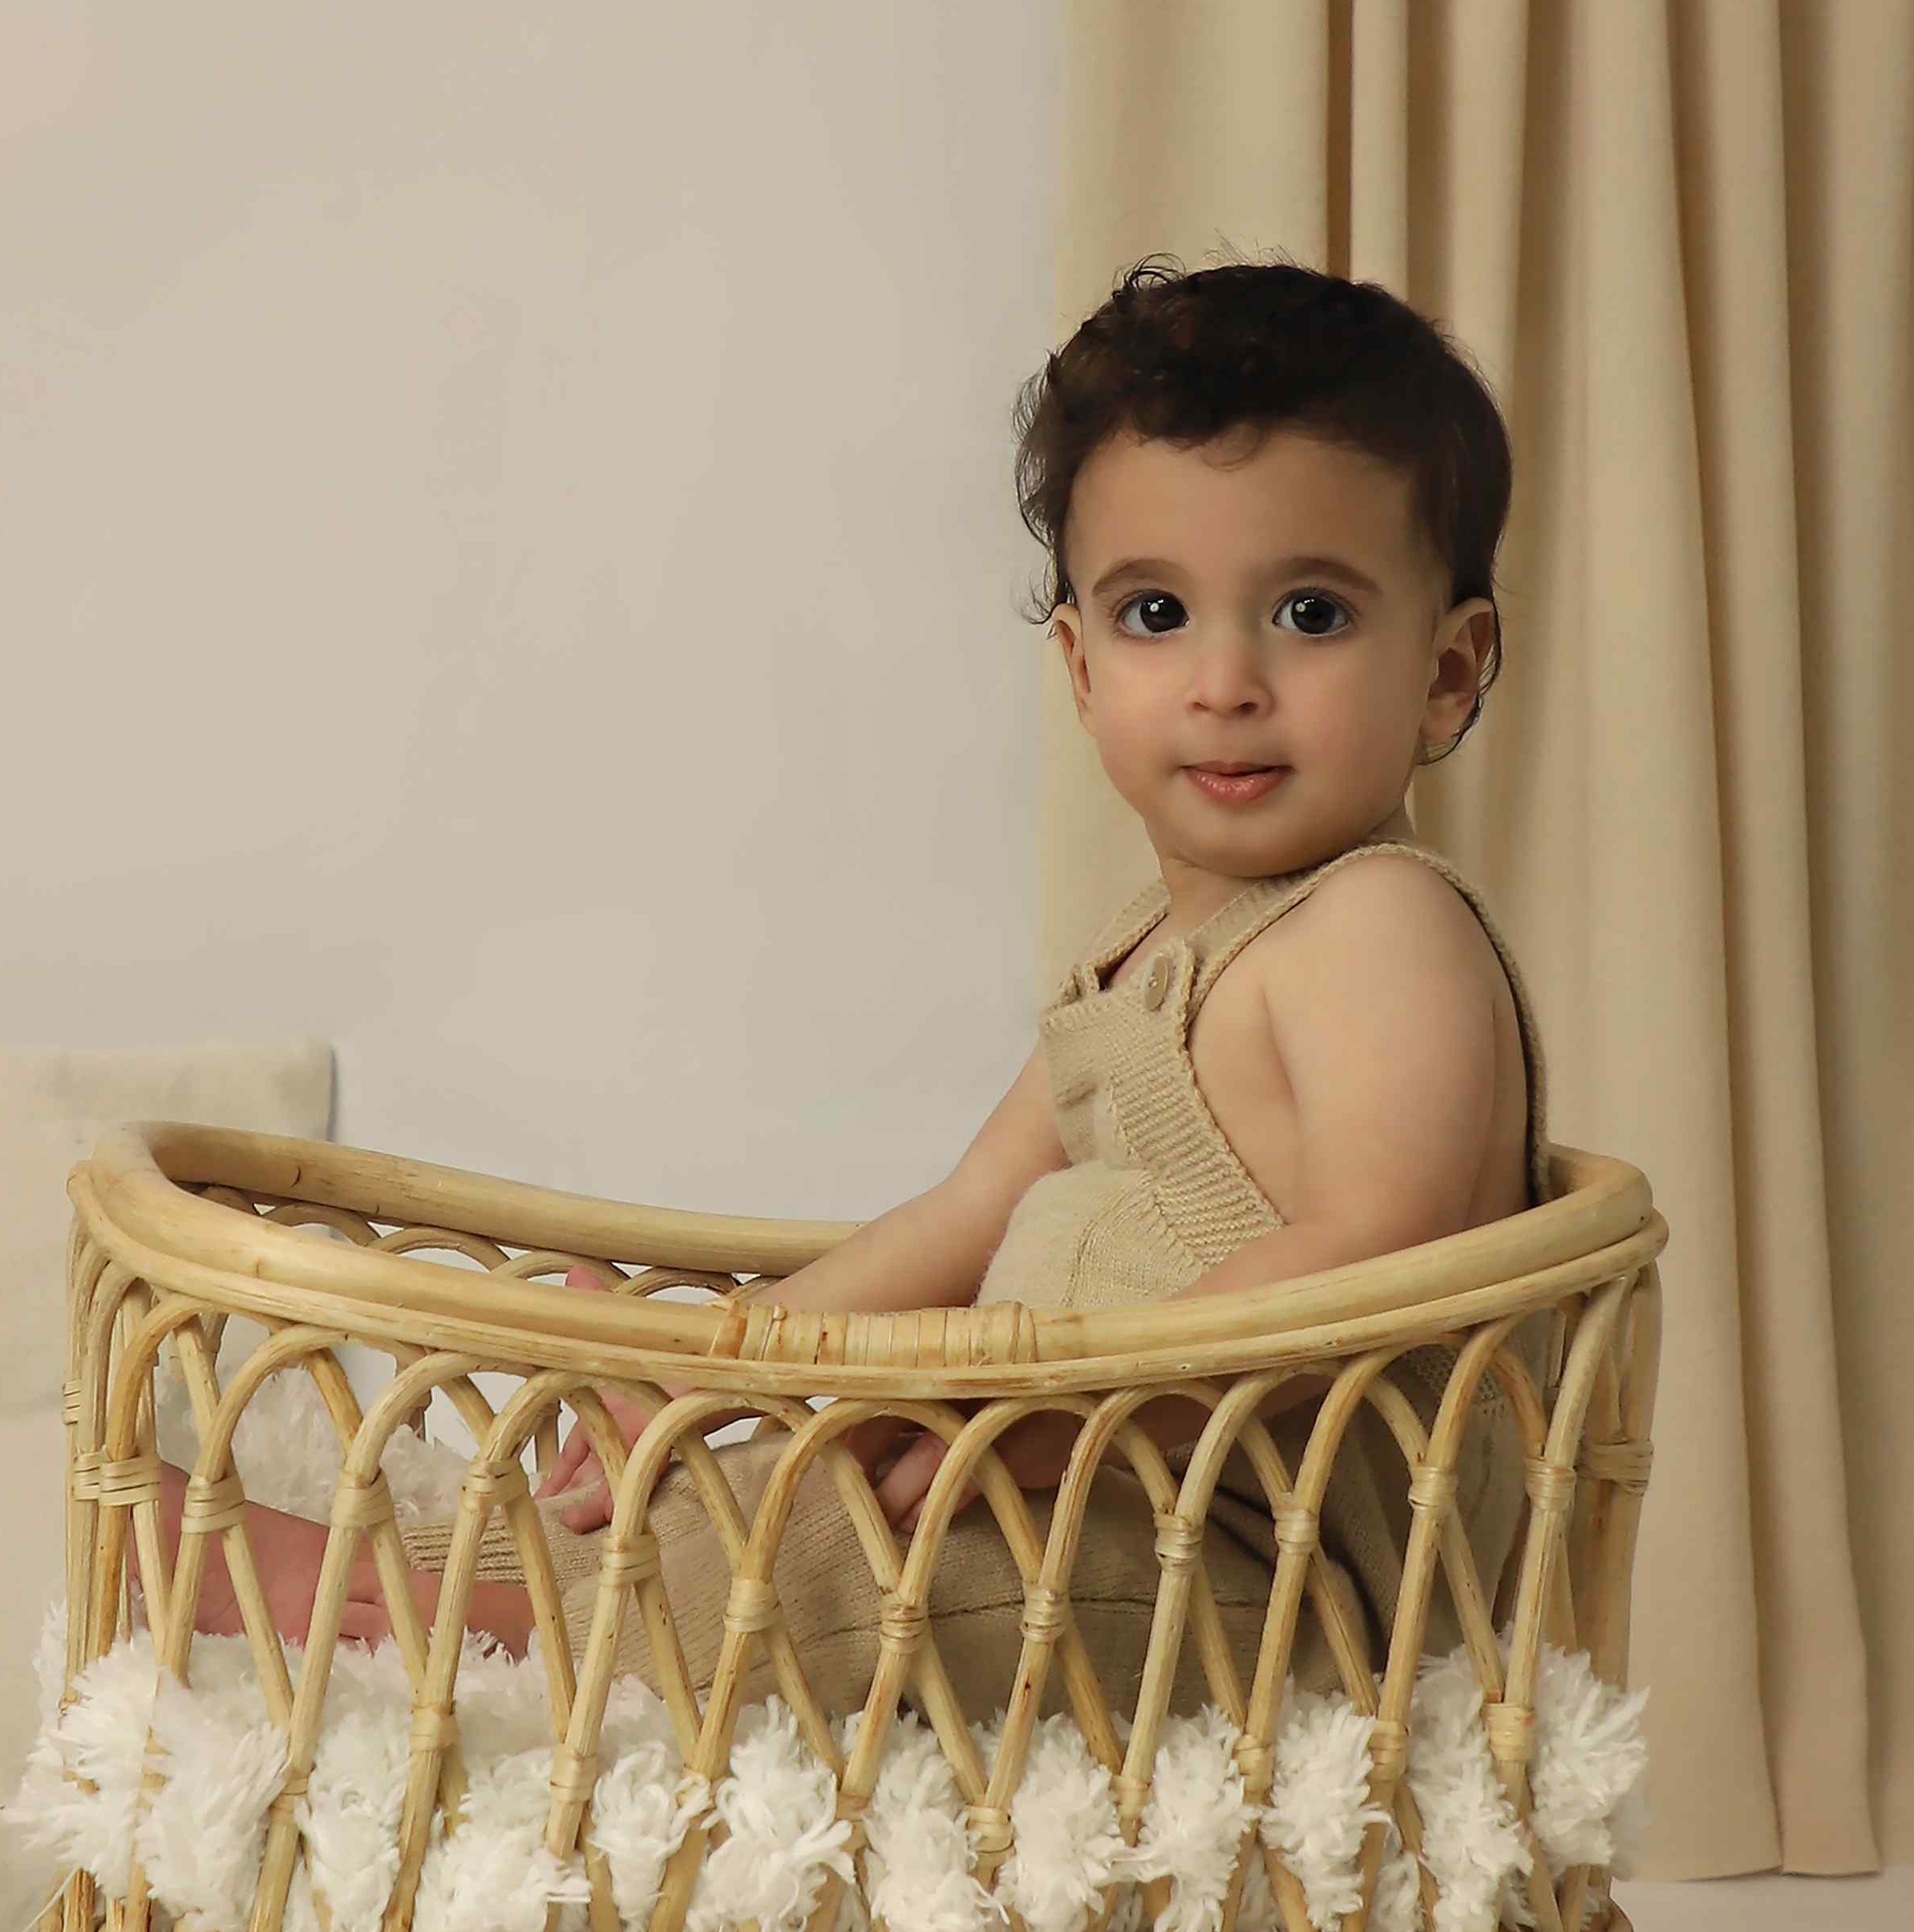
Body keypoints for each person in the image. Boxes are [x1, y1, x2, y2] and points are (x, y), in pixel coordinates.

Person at [154, 256, 1555, 1719]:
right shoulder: (1147, 953)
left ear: (1449, 672)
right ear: (1081, 667)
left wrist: (1069, 1406)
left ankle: (462, 1632)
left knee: (877, 1573)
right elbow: (966, 1214)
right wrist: (718, 1368)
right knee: (784, 1483)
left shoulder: (1382, 928)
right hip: (1061, 1472)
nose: (1225, 680)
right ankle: (456, 1563)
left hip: (1254, 1566)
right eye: (1157, 613)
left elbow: (1369, 1254)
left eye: (1312, 614)